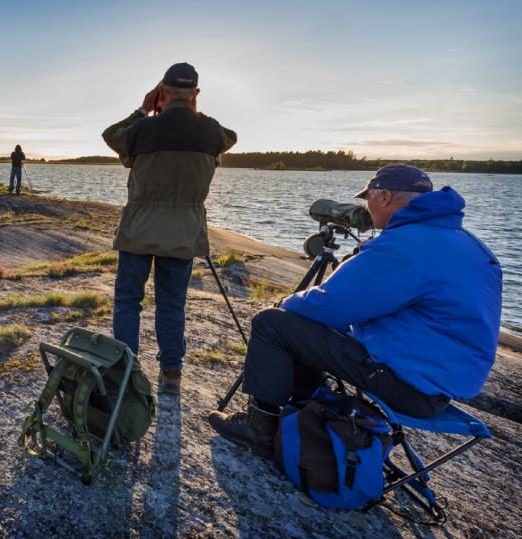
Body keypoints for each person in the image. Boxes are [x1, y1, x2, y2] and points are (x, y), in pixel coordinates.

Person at [208, 165, 502, 459]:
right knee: (309, 326)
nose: (366, 207)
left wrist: (285, 302)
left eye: (368, 199)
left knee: (272, 323)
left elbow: (330, 305)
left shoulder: (405, 245)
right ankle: (308, 412)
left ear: (384, 197)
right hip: (443, 383)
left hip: (409, 384)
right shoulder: (469, 243)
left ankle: (260, 430)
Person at [102, 62, 237, 394]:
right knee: (172, 304)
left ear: (160, 92)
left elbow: (111, 136)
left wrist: (142, 110)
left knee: (128, 300)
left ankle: (126, 371)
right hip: (182, 234)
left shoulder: (143, 130)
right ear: (196, 94)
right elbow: (229, 138)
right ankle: (172, 373)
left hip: (139, 230)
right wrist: (193, 111)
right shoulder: (210, 132)